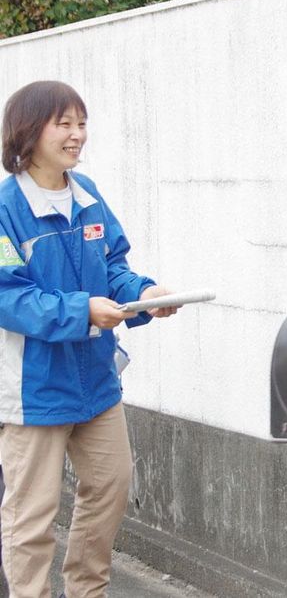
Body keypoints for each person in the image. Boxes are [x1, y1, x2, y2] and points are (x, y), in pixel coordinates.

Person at [0, 80, 180, 598]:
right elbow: (10, 296)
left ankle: (87, 590)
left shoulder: (88, 194)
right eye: (65, 124)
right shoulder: (6, 208)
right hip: (34, 390)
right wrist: (83, 310)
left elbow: (113, 269)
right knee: (31, 517)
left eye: (82, 123)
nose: (77, 135)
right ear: (30, 131)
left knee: (110, 487)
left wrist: (145, 294)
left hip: (96, 380)